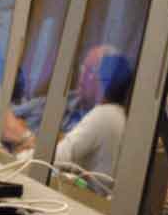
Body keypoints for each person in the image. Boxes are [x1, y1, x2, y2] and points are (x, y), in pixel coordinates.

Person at [52, 45, 133, 179]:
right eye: (82, 68)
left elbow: (53, 157)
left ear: (105, 79)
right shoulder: (114, 114)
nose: (82, 76)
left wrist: (24, 139)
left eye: (89, 70)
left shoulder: (105, 115)